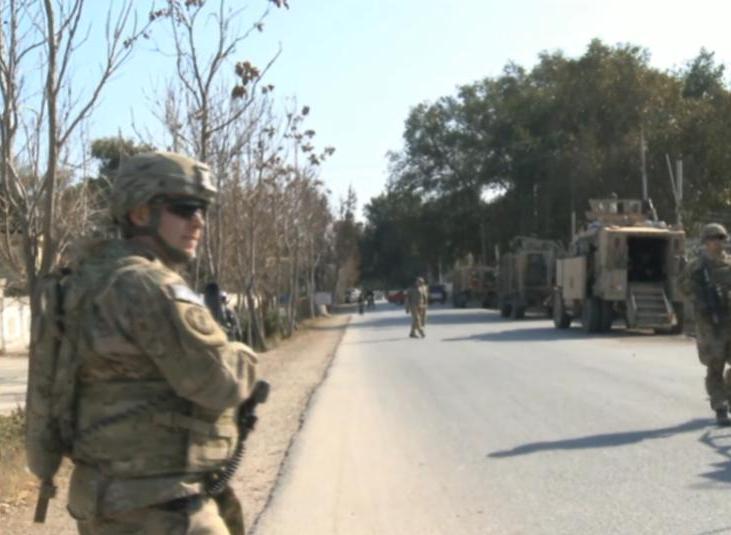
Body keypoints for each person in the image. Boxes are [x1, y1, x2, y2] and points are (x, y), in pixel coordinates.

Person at [62, 152, 257, 534]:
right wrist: (243, 355)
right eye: (183, 208)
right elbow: (220, 382)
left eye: (202, 209)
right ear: (140, 213)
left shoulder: (85, 281)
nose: (198, 221)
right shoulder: (151, 286)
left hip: (104, 500)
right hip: (163, 507)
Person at [680, 223, 731, 426]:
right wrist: (699, 297)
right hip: (710, 324)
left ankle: (728, 394)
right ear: (706, 241)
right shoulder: (696, 266)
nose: (717, 242)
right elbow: (683, 287)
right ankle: (720, 406)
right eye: (713, 238)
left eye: (721, 238)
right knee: (715, 364)